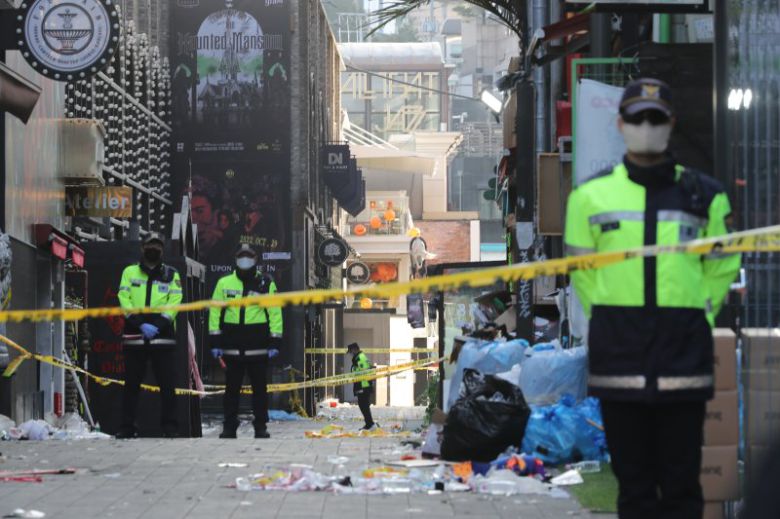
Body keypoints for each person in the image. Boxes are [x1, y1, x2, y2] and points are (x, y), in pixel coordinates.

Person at [564, 78, 741, 518]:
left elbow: (722, 264)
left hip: (683, 355)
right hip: (619, 356)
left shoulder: (705, 196)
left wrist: (701, 308)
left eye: (656, 118)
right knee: (635, 488)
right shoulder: (588, 197)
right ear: (621, 124)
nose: (647, 126)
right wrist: (604, 312)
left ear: (671, 124)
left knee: (682, 487)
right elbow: (581, 271)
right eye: (638, 117)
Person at [209, 244, 283, 439]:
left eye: (248, 256)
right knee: (231, 391)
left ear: (255, 259)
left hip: (258, 347)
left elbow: (274, 312)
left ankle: (260, 426)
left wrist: (275, 342)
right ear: (236, 259)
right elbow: (215, 311)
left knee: (260, 391)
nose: (245, 260)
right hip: (232, 346)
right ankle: (229, 427)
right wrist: (215, 342)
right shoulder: (224, 283)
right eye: (241, 256)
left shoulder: (265, 283)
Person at [117, 233, 183, 439]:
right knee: (131, 385)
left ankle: (170, 427)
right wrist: (140, 324)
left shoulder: (172, 275)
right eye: (150, 245)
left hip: (162, 336)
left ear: (162, 250)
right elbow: (124, 299)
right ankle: (127, 427)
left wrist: (158, 325)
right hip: (134, 335)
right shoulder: (129, 272)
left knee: (167, 385)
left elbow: (175, 302)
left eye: (157, 245)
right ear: (142, 247)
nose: (153, 248)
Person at [347, 342, 378, 431]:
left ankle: (370, 424)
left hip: (363, 385)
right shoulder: (358, 357)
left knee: (363, 405)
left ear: (354, 349)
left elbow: (364, 371)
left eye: (351, 352)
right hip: (361, 385)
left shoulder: (360, 358)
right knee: (363, 405)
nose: (350, 354)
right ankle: (369, 424)